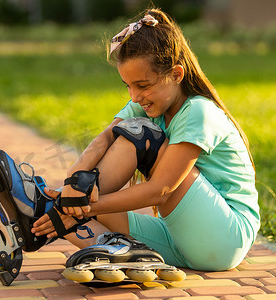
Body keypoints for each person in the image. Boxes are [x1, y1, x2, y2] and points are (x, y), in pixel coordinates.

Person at [31, 8, 260, 271]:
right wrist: (74, 182)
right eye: (128, 86)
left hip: (224, 236)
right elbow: (104, 139)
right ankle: (48, 217)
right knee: (69, 215)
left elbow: (161, 189)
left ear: (176, 74)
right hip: (180, 238)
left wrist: (81, 205)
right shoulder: (146, 105)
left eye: (142, 85)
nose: (135, 96)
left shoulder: (199, 111)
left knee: (140, 135)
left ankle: (62, 205)